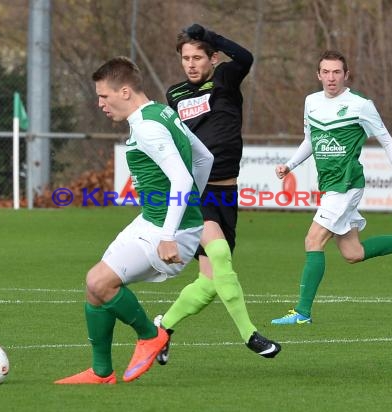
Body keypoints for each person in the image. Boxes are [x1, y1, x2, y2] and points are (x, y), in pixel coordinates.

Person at [55, 56, 213, 384]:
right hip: (152, 220)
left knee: (100, 282)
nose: (100, 103)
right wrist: (190, 203)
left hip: (169, 231)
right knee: (94, 287)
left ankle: (150, 336)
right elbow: (204, 157)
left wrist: (170, 233)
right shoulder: (161, 112)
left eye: (104, 96)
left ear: (125, 91)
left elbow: (182, 180)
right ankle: (101, 372)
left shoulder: (147, 125)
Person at [271, 50, 392, 326]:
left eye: (337, 72)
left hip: (347, 184)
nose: (331, 78)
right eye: (326, 72)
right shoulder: (311, 102)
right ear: (318, 75)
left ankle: (302, 312)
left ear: (346, 75)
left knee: (313, 241)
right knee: (353, 253)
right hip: (331, 185)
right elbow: (310, 139)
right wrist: (290, 165)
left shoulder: (360, 105)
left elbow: (387, 141)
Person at [153, 23, 281, 364]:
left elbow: (246, 56)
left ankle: (162, 328)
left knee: (210, 282)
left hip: (226, 193)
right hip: (197, 193)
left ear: (212, 58)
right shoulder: (175, 95)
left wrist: (211, 35)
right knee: (220, 256)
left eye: (198, 57)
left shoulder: (224, 79)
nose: (191, 64)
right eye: (185, 58)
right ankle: (250, 335)